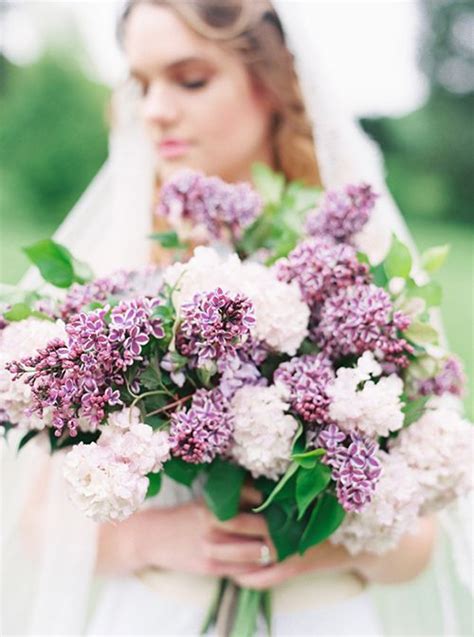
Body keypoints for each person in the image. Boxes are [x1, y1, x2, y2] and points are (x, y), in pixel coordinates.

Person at [1, 1, 471, 636]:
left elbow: (421, 539)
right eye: (141, 84)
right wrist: (152, 539)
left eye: (189, 79)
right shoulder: (117, 276)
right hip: (159, 614)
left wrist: (312, 542)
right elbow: (36, 522)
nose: (155, 109)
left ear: (272, 82)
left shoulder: (353, 271)